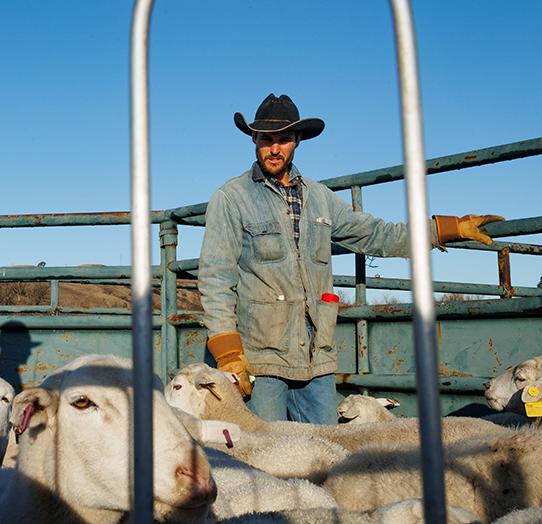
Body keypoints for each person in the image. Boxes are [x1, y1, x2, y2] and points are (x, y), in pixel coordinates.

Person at [198, 94, 502, 424]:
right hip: (259, 360)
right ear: (254, 139)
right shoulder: (231, 199)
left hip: (317, 359)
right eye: (266, 139)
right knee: (260, 458)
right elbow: (216, 278)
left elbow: (376, 234)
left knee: (326, 458)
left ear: (298, 140)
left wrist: (445, 230)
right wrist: (229, 355)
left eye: (284, 139)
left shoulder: (320, 199)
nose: (275, 149)